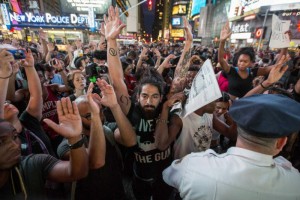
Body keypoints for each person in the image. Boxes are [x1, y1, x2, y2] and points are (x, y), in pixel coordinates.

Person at [163, 94, 300, 200]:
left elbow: (168, 176)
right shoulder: (294, 184)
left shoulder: (193, 166)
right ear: (281, 142)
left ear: (238, 128)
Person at [57, 80, 136, 200]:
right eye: (90, 115)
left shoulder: (107, 130)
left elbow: (130, 141)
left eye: (99, 112)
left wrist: (114, 106)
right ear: (76, 118)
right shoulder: (67, 145)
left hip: (118, 193)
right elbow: (94, 162)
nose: (98, 117)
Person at [0, 96, 89, 199]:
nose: (14, 145)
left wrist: (74, 138)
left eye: (15, 137)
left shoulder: (32, 164)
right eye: (1, 141)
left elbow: (77, 172)